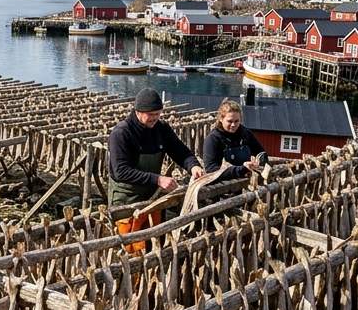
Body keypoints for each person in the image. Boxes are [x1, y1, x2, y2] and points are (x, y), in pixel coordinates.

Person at [108, 89, 205, 243]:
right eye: (151, 114)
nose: (155, 118)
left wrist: (193, 165)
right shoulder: (121, 133)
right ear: (138, 112)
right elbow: (121, 171)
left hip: (152, 196)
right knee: (129, 244)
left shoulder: (162, 128)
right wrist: (158, 179)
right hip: (126, 197)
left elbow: (179, 150)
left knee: (154, 240)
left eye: (158, 114)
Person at [202, 99, 267, 179]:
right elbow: (211, 169)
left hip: (247, 181)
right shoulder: (213, 139)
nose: (233, 125)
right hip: (224, 186)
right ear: (221, 119)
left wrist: (258, 165)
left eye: (236, 121)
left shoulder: (246, 134)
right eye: (229, 121)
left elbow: (261, 152)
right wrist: (241, 170)